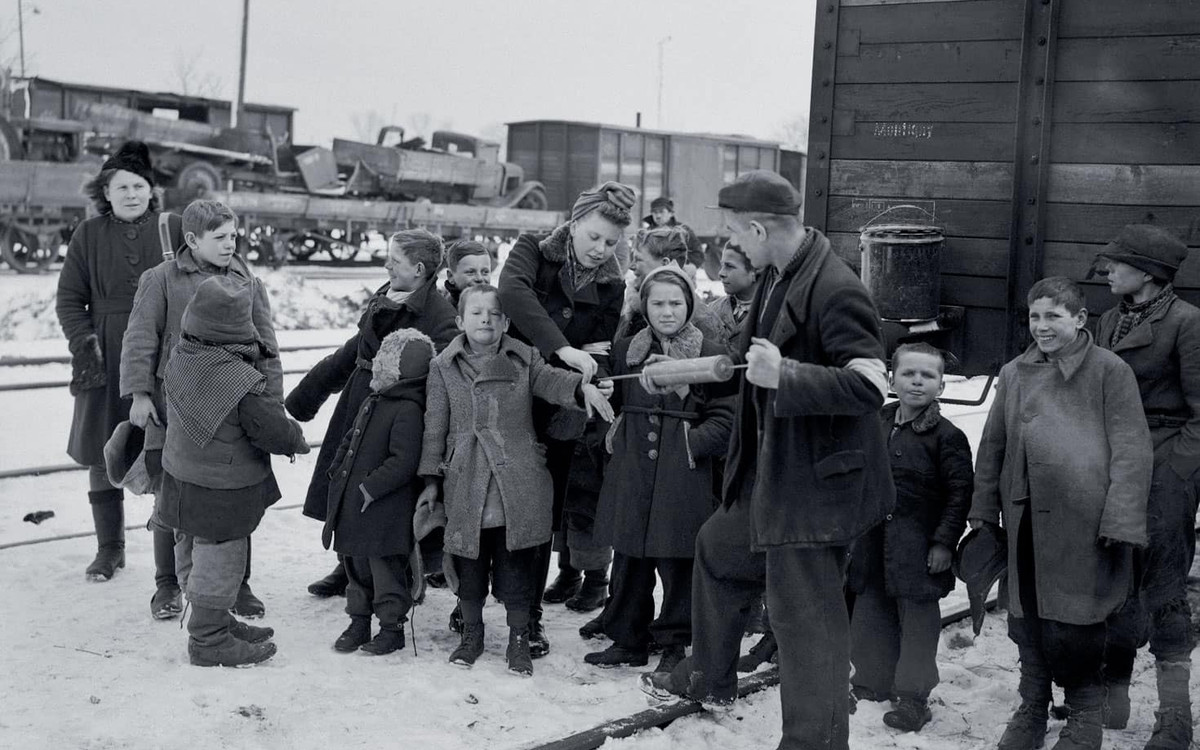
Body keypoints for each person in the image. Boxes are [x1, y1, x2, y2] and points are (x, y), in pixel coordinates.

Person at [641, 170, 894, 750]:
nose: (730, 244)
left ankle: (815, 741)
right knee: (719, 548)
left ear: (758, 228)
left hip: (816, 487)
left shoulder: (835, 287)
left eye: (735, 233)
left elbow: (870, 384)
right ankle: (712, 675)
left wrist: (787, 376)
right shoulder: (782, 275)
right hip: (769, 474)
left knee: (806, 624)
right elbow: (742, 358)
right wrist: (678, 369)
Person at [971, 277, 1152, 750]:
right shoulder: (1014, 372)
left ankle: (1084, 714)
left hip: (1084, 523)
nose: (1042, 326)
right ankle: (1032, 705)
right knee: (1025, 617)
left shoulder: (1109, 372)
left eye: (1053, 316)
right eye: (1034, 316)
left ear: (1079, 318)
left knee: (1076, 622)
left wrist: (1119, 518)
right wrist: (983, 509)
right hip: (1025, 520)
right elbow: (993, 447)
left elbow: (1132, 451)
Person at [417, 284, 613, 676]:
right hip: (466, 479)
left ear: (507, 321)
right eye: (476, 312)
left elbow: (552, 381)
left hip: (517, 482)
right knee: (469, 567)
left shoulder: (524, 358)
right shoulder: (442, 366)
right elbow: (434, 426)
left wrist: (580, 387)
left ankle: (519, 638)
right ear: (460, 320)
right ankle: (471, 635)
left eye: (493, 313)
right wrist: (431, 480)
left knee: (517, 566)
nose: (485, 319)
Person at [121, 198, 278, 620]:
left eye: (234, 235)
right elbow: (140, 337)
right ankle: (167, 586)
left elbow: (268, 349)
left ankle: (238, 585)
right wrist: (138, 395)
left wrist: (272, 404)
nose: (231, 244)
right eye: (220, 237)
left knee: (238, 501)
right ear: (192, 240)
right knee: (169, 501)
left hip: (234, 413)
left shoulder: (247, 280)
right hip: (172, 411)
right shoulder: (162, 279)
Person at [497, 181, 633, 657]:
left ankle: (527, 617)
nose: (601, 250)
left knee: (538, 515)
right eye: (594, 237)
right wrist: (564, 346)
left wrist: (602, 376)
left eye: (611, 243)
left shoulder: (612, 284)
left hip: (560, 410)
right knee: (487, 500)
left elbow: (604, 351)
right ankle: (470, 599)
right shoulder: (533, 249)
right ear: (573, 225)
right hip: (508, 396)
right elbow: (513, 292)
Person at [287, 229, 458, 598]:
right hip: (358, 406)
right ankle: (346, 564)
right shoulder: (385, 297)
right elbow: (355, 350)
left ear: (418, 269)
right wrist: (309, 393)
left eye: (394, 261)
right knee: (347, 485)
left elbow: (439, 379)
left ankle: (391, 579)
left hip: (395, 420)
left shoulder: (440, 315)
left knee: (379, 495)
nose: (386, 265)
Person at [585, 265, 734, 674]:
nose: (667, 311)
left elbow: (726, 416)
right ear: (644, 306)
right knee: (630, 556)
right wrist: (612, 425)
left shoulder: (710, 352)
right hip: (632, 468)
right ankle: (628, 638)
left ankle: (674, 641)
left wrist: (692, 442)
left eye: (676, 303)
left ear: (690, 304)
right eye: (658, 303)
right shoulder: (628, 347)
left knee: (679, 561)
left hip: (683, 473)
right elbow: (611, 399)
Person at [160, 276, 309, 667]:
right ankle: (209, 640)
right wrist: (295, 438)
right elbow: (272, 430)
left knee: (191, 547)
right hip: (221, 489)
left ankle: (216, 620)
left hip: (180, 479)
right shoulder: (240, 382)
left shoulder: (180, 356)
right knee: (221, 557)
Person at [56, 141, 182, 584]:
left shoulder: (174, 229)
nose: (131, 194)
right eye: (121, 187)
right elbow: (70, 299)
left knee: (170, 451)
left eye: (139, 185)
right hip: (107, 354)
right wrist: (85, 345)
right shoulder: (88, 235)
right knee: (101, 449)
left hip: (166, 355)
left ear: (152, 190)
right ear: (105, 193)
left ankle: (171, 561)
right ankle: (109, 549)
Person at [1092, 225, 1199, 749]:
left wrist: (1176, 472)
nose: (1107, 271)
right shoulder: (1109, 320)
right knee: (1115, 575)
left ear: (1148, 273)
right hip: (1115, 462)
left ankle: (1175, 717)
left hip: (1165, 464)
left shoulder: (1187, 322)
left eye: (1117, 264)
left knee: (1163, 586)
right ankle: (1113, 697)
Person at [846, 343, 973, 732]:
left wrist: (943, 543)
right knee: (871, 614)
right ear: (891, 379)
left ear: (940, 385)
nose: (917, 382)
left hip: (918, 547)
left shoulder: (946, 437)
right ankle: (871, 682)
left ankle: (914, 698)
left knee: (917, 624)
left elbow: (959, 495)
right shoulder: (877, 422)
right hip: (872, 542)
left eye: (928, 376)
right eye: (908, 374)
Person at [324, 329, 435, 656]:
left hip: (383, 511)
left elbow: (404, 461)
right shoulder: (375, 400)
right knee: (355, 568)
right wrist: (338, 466)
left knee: (384, 571)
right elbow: (351, 438)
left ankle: (391, 627)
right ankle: (358, 621)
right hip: (354, 507)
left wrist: (370, 487)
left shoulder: (408, 409)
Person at [617, 226, 724, 346]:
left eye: (638, 260)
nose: (631, 266)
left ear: (665, 264)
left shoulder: (702, 320)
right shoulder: (632, 305)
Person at [709, 240, 759, 355]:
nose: (721, 273)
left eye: (729, 266)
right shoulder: (712, 310)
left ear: (754, 272)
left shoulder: (769, 314)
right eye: (722, 265)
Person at [642, 196, 704, 272]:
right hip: (653, 272)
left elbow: (698, 253)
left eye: (661, 212)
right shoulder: (647, 233)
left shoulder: (683, 231)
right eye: (655, 212)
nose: (658, 216)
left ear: (671, 213)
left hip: (679, 271)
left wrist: (690, 266)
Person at [440, 239, 493, 309]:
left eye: (485, 272)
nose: (479, 278)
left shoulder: (498, 307)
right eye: (471, 272)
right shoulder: (445, 311)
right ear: (451, 276)